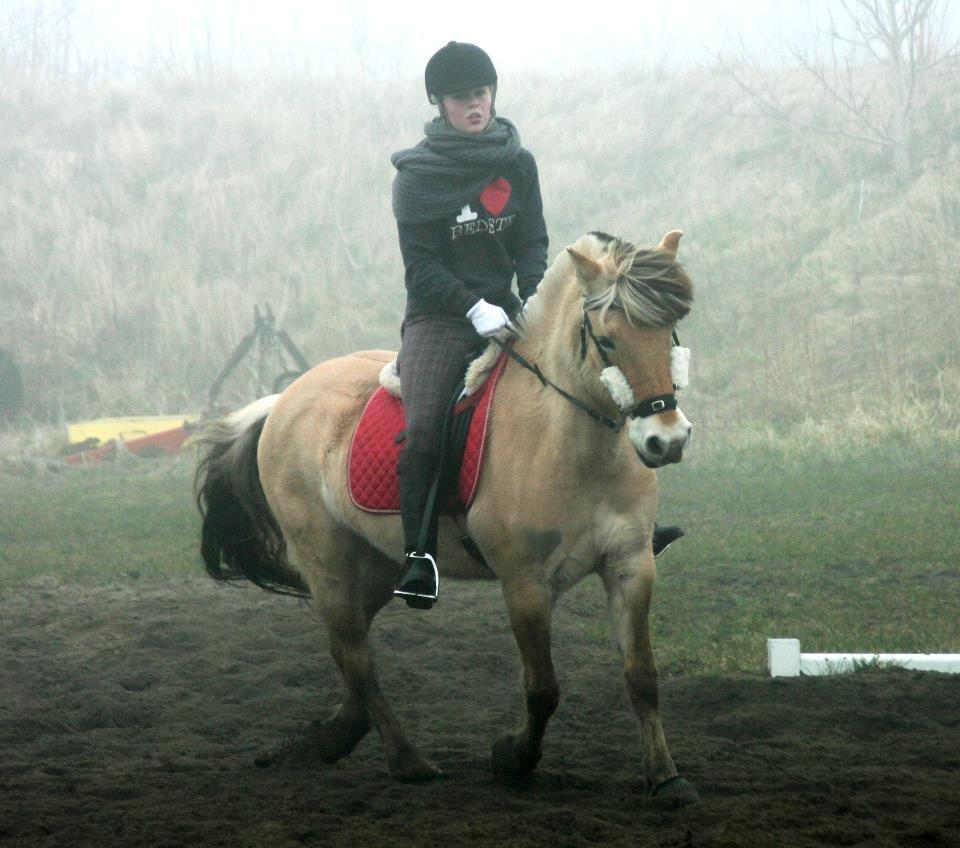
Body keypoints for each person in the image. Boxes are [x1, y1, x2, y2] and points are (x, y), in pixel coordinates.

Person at [389, 41, 549, 609]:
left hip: (508, 307)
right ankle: (419, 557)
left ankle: (616, 524)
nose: (475, 105)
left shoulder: (518, 162)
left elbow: (531, 241)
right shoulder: (416, 176)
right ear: (441, 104)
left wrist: (534, 294)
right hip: (440, 316)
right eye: (462, 98)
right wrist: (471, 308)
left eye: (481, 94)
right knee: (427, 427)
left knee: (578, 383)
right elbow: (422, 268)